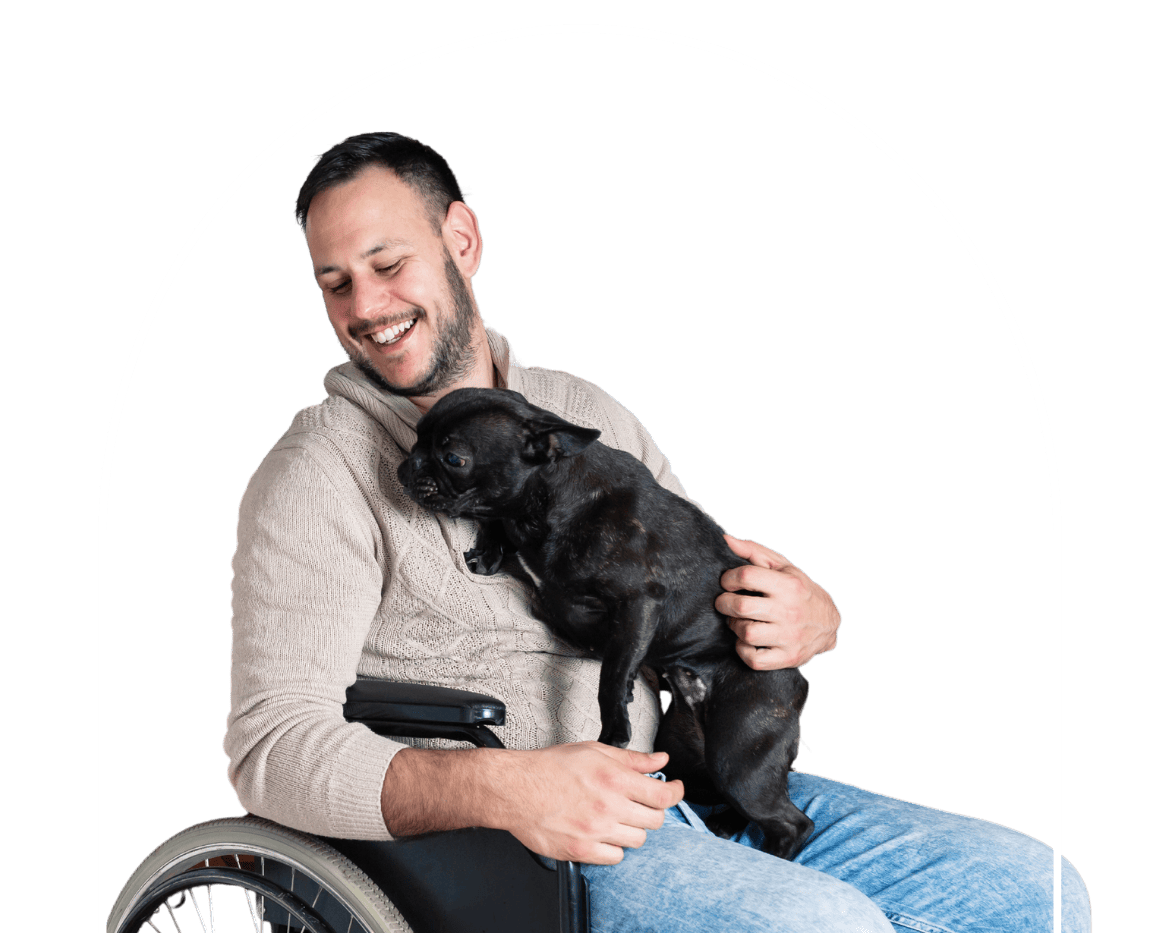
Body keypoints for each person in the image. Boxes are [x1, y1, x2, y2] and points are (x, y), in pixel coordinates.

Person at [224, 131, 1090, 932]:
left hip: (681, 783)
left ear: (462, 240)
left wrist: (808, 612)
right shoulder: (319, 474)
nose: (366, 306)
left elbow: (696, 573)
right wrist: (502, 787)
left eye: (387, 263)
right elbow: (270, 748)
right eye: (335, 282)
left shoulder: (584, 412)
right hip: (503, 850)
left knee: (1034, 892)